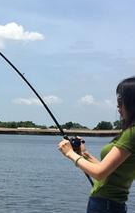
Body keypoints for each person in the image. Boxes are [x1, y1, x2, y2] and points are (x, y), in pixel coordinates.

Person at [58, 77, 135, 213]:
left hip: (106, 205)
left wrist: (69, 153)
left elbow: (100, 173)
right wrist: (84, 154)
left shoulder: (132, 133)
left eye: (120, 102)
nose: (118, 107)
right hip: (110, 204)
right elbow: (106, 170)